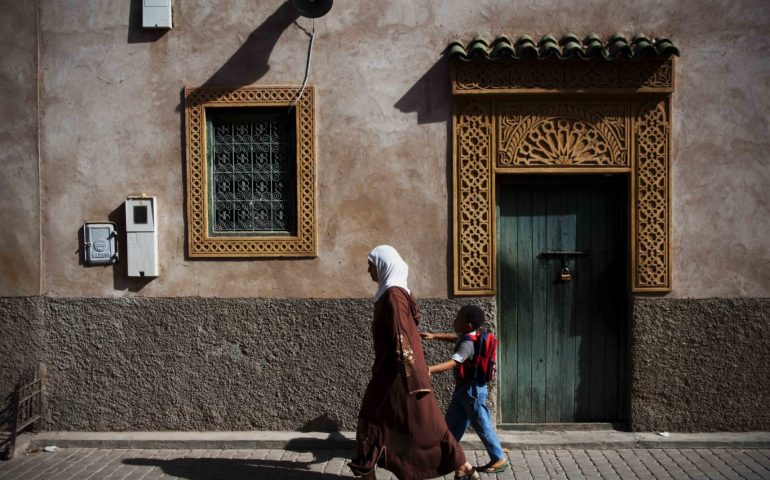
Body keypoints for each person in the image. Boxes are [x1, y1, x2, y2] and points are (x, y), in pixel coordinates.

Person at [349, 245, 479, 480]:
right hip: (394, 372)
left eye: (372, 265)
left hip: (396, 375)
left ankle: (366, 471)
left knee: (388, 421)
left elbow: (401, 335)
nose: (369, 271)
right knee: (421, 422)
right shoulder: (393, 293)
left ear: (384, 265)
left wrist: (412, 376)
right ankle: (462, 465)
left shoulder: (393, 295)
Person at [422, 305, 509, 474]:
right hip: (465, 390)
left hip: (471, 391)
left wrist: (430, 369)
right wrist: (434, 336)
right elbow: (455, 337)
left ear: (467, 325)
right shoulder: (471, 336)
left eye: (458, 318)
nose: (454, 320)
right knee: (452, 424)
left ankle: (498, 458)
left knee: (482, 423)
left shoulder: (467, 344)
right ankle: (444, 454)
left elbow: (455, 362)